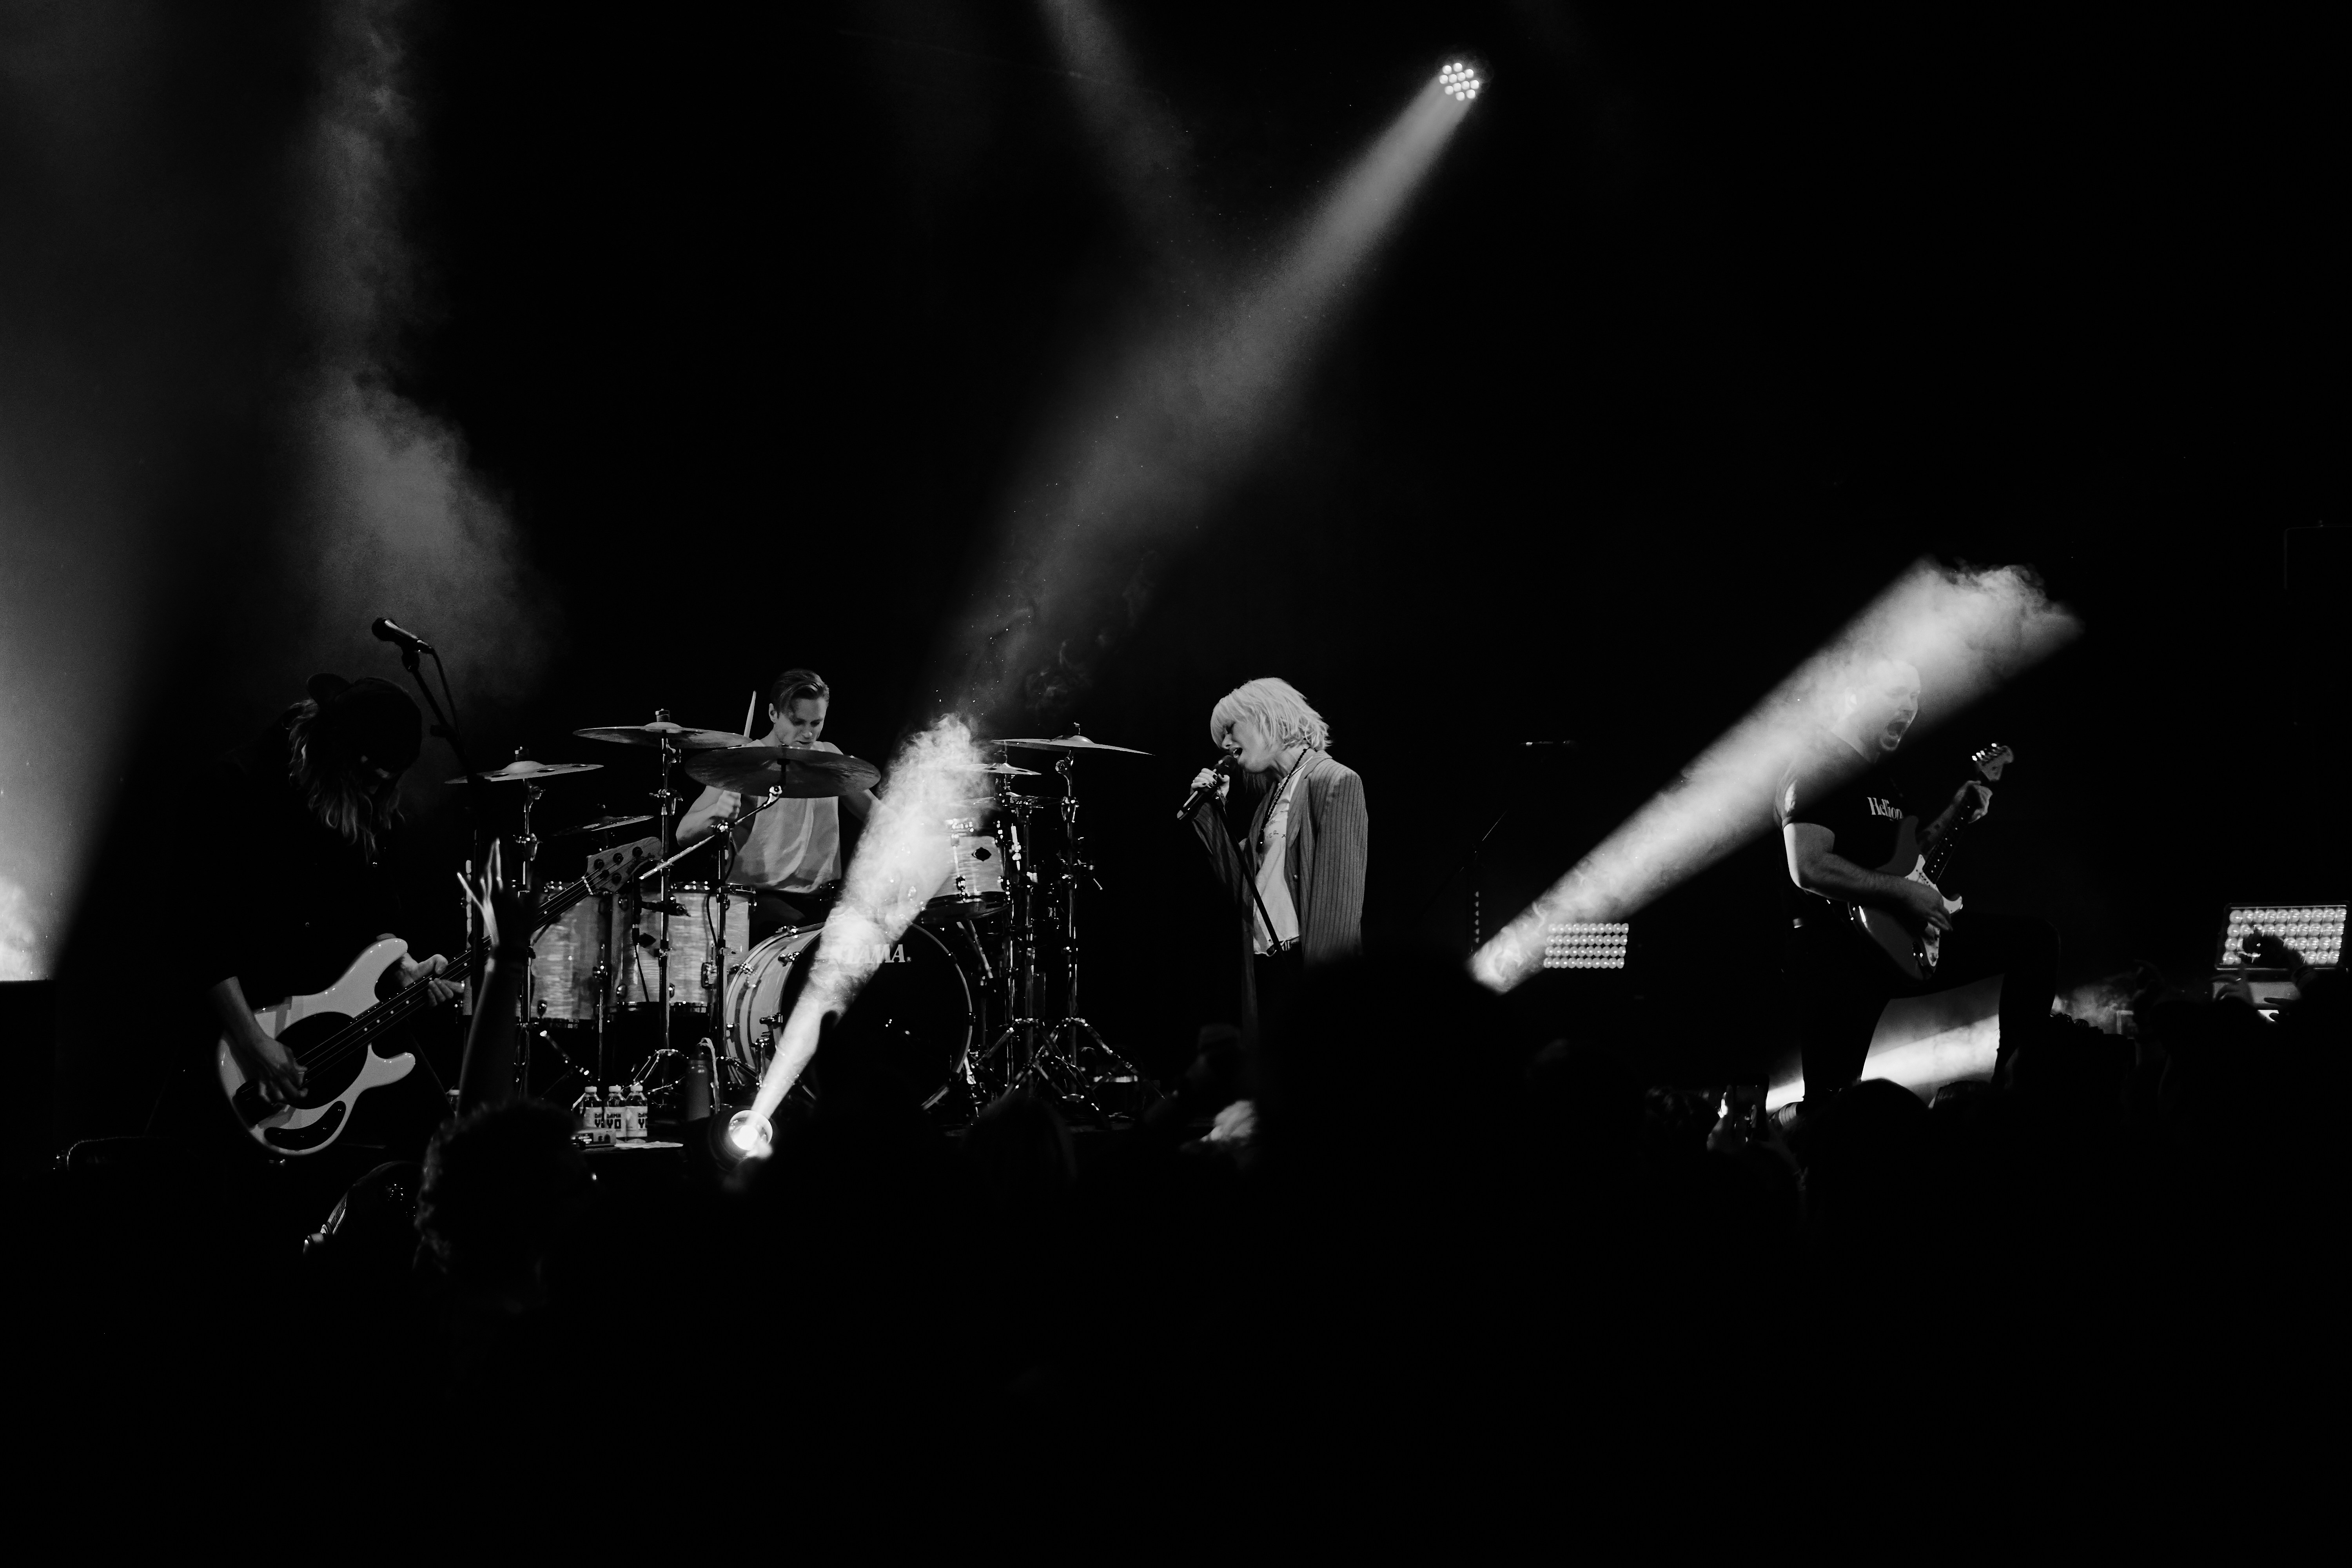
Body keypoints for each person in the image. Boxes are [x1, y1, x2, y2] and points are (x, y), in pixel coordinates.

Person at [1777, 657, 2058, 1103]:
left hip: (1899, 936)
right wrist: (1904, 892)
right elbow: (1808, 868)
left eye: (1916, 697)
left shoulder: (1884, 780)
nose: (1909, 707)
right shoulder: (1818, 765)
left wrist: (1958, 809)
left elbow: (1910, 863)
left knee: (2036, 941)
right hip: (1838, 953)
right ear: (1853, 696)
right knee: (1831, 1105)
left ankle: (2013, 1088)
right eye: (1895, 694)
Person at [1183, 677, 1368, 1047]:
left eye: (1231, 730)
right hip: (1268, 967)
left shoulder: (1333, 781)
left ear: (1267, 717)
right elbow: (1245, 891)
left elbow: (1339, 907)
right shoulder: (1273, 798)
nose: (1225, 745)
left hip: (1307, 971)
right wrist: (1212, 814)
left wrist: (1325, 999)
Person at [675, 668, 876, 944]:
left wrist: (931, 828)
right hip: (757, 905)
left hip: (822, 904)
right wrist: (715, 815)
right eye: (797, 722)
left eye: (816, 723)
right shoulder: (745, 762)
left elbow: (876, 814)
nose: (808, 734)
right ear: (773, 714)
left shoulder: (829, 758)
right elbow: (683, 834)